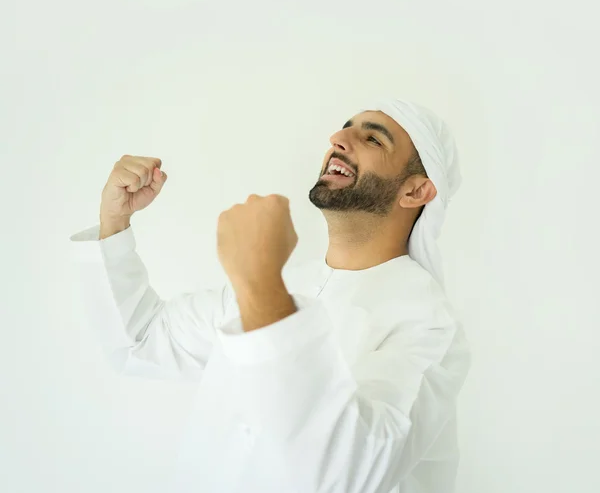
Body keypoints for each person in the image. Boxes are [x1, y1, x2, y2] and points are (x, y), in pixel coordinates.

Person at [70, 98, 470, 493]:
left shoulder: (427, 324)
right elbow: (140, 342)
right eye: (346, 126)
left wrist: (261, 283)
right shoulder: (286, 282)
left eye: (373, 139)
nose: (338, 137)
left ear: (416, 191)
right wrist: (114, 220)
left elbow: (344, 475)